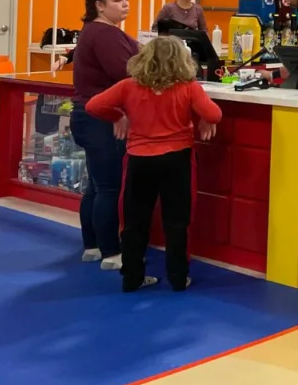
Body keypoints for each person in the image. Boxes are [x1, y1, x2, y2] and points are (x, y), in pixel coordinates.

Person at [86, 37, 222, 292]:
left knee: (134, 222)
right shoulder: (188, 87)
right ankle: (178, 278)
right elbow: (214, 114)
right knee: (178, 221)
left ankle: (132, 278)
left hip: (139, 160)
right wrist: (205, 120)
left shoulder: (128, 86)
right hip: (177, 160)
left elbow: (94, 105)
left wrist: (118, 115)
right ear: (182, 59)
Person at [69, 0, 140, 269]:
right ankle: (111, 253)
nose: (125, 4)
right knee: (108, 187)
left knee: (96, 187)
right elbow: (125, 72)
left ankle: (93, 245)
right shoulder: (104, 34)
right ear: (99, 5)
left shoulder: (99, 32)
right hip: (102, 118)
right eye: (118, 0)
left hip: (88, 117)